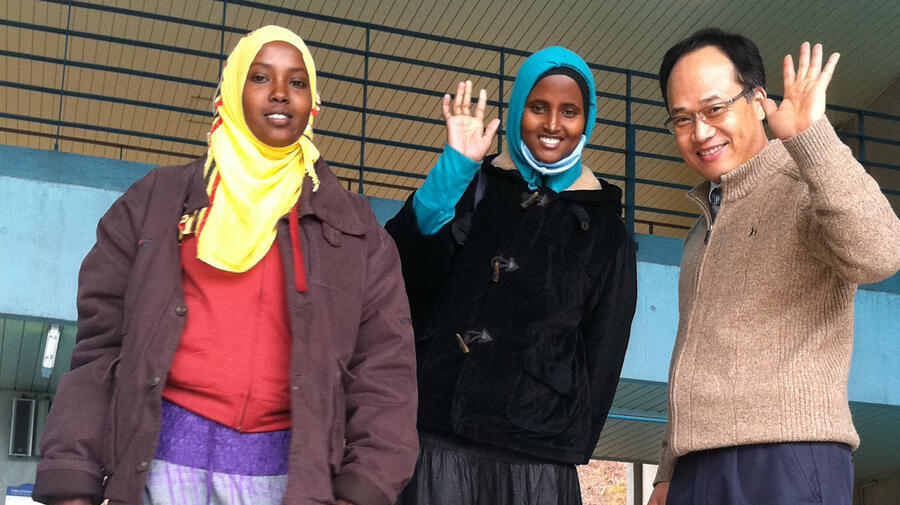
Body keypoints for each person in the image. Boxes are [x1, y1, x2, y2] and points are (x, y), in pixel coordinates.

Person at [32, 25, 418, 505]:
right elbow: (100, 351)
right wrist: (73, 478)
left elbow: (385, 372)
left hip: (288, 480)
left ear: (313, 103)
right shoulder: (153, 202)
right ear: (232, 91)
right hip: (158, 468)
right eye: (260, 77)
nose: (280, 93)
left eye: (298, 82)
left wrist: (366, 488)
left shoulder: (357, 230)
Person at [647, 28, 900, 505]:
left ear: (758, 100)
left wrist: (813, 139)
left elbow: (881, 253)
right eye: (682, 119)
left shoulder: (808, 181)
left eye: (714, 109)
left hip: (787, 457)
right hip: (695, 469)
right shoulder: (699, 231)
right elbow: (690, 361)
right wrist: (666, 472)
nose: (700, 132)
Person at [386, 46, 637, 505]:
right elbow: (403, 275)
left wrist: (567, 442)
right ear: (519, 107)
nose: (553, 124)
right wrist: (454, 170)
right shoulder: (473, 184)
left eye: (570, 111)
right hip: (439, 435)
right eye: (538, 107)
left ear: (588, 121)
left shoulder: (605, 231)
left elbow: (604, 353)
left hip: (536, 459)